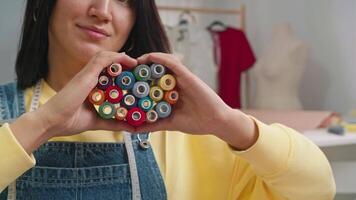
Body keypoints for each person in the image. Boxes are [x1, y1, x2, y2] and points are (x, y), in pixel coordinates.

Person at [0, 0, 335, 199]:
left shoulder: (187, 131)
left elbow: (317, 189)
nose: (102, 10)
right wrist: (43, 123)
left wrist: (229, 123)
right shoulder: (9, 116)